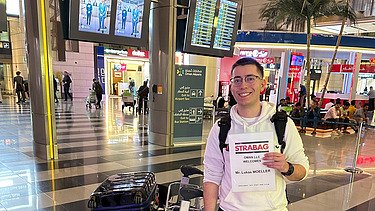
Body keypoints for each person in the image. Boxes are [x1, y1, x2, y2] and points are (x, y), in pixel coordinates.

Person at [203, 57, 309, 211]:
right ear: (231, 86)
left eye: (250, 78)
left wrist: (287, 167)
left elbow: (302, 171)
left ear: (262, 84)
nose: (243, 85)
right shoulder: (221, 128)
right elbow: (212, 177)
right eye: (237, 80)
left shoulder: (282, 124)